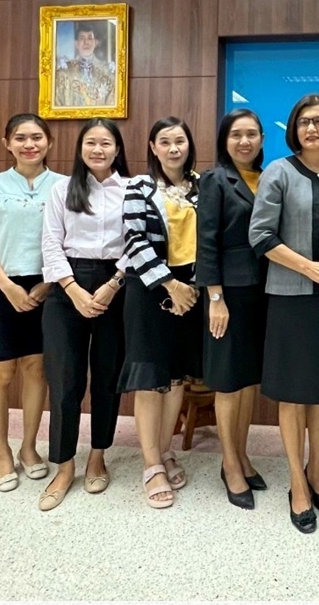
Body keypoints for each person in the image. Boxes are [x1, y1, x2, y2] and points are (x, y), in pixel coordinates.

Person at [248, 94, 319, 534]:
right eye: (303, 121)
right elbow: (260, 235)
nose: (312, 128)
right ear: (294, 129)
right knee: (293, 394)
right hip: (291, 297)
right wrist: (310, 268)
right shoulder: (279, 172)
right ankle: (297, 482)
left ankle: (317, 471)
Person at [0, 113, 65, 492]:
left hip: (49, 286)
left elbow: (68, 239)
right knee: (0, 374)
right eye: (21, 137)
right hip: (0, 284)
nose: (30, 144)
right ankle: (1, 454)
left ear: (49, 142)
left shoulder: (62, 185)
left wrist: (45, 284)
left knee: (36, 369)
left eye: (37, 137)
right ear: (7, 143)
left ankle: (28, 448)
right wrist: (7, 286)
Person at [37, 119, 130, 511]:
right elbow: (51, 243)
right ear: (80, 148)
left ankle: (98, 455)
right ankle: (63, 465)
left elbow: (141, 241)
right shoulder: (62, 189)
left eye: (105, 142)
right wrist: (73, 289)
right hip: (66, 287)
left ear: (117, 148)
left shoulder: (132, 189)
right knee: (64, 379)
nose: (98, 149)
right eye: (90, 142)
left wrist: (112, 284)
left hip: (117, 286)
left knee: (107, 378)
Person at [118, 116, 203, 509]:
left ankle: (166, 449)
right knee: (151, 377)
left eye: (179, 141)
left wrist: (194, 286)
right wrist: (170, 284)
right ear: (153, 147)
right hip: (153, 290)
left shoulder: (202, 186)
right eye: (165, 141)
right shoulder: (139, 186)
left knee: (177, 377)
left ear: (189, 145)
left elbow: (212, 238)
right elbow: (134, 240)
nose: (173, 148)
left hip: (193, 290)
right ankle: (151, 463)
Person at [196, 109, 270, 510]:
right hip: (227, 294)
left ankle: (242, 454)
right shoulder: (215, 180)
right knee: (226, 381)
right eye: (236, 135)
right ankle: (229, 464)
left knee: (246, 381)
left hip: (263, 291)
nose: (245, 141)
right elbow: (205, 242)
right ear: (225, 140)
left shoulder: (269, 177)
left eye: (252, 134)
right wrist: (215, 297)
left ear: (262, 138)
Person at [54, 22, 116, 108]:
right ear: (76, 44)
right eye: (82, 38)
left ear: (96, 43)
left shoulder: (107, 71)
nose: (86, 42)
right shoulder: (64, 72)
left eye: (90, 38)